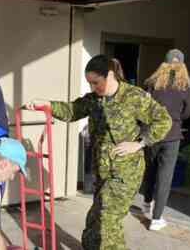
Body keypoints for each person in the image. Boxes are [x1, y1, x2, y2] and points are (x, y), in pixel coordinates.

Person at [26, 54, 172, 250]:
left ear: (110, 75)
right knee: (95, 221)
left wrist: (140, 142)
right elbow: (73, 111)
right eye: (89, 83)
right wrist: (47, 104)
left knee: (106, 224)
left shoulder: (133, 97)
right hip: (102, 172)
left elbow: (164, 120)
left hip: (124, 173)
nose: (92, 87)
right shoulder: (95, 99)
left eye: (96, 82)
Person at [140, 49, 190, 231]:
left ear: (164, 63)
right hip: (172, 135)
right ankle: (156, 219)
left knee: (150, 170)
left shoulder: (152, 83)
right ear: (182, 65)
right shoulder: (185, 87)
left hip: (152, 133)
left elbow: (144, 108)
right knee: (165, 178)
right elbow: (187, 113)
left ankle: (147, 204)